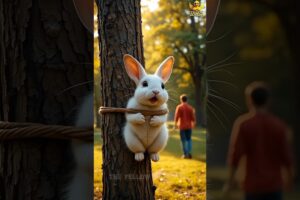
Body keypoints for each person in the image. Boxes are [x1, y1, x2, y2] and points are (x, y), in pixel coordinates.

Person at [223, 82, 294, 200]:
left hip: (252, 185)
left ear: (249, 100)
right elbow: (286, 155)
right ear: (268, 101)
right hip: (274, 184)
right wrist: (290, 179)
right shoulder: (278, 125)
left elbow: (235, 155)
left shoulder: (243, 124)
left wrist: (230, 182)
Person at [174, 94, 196, 159]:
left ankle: (185, 154)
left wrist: (175, 125)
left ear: (181, 100)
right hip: (189, 126)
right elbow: (193, 119)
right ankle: (188, 153)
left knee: (183, 140)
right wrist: (193, 125)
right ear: (187, 100)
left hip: (182, 126)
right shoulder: (190, 108)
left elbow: (177, 117)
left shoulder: (179, 107)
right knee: (189, 140)